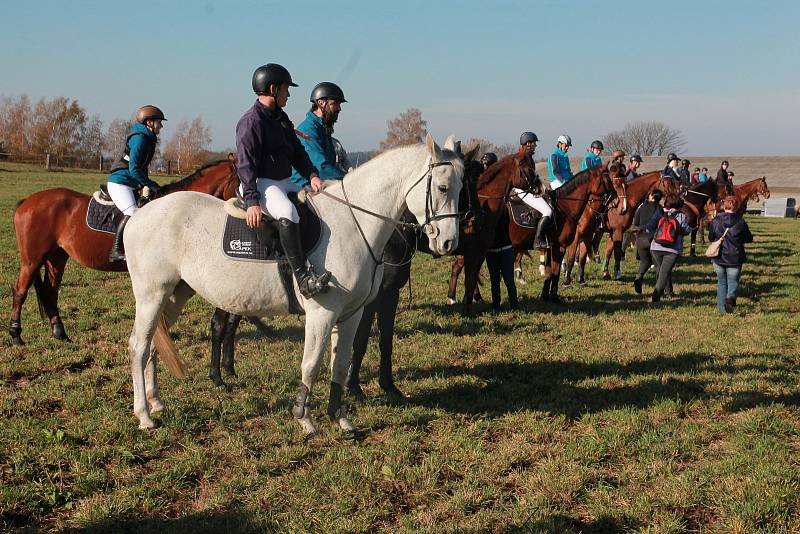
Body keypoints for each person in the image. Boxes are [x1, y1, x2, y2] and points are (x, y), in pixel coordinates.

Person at [236, 63, 330, 298]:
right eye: (286, 89)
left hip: (283, 180)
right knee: (288, 211)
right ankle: (303, 279)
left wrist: (312, 175)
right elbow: (245, 164)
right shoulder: (251, 122)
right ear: (273, 88)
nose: (289, 94)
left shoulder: (281, 117)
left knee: (316, 203)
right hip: (261, 183)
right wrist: (252, 201)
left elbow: (297, 151)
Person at [107, 105, 166, 261]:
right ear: (149, 122)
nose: (161, 125)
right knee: (133, 214)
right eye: (159, 122)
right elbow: (134, 169)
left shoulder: (147, 137)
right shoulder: (140, 139)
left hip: (130, 183)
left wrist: (145, 184)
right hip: (120, 183)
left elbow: (142, 168)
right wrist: (149, 183)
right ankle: (116, 250)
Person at [290, 82, 348, 188]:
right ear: (321, 102)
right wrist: (349, 180)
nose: (339, 108)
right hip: (302, 189)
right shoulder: (308, 130)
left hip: (319, 185)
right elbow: (321, 167)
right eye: (335, 103)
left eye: (339, 104)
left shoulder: (323, 128)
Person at [707, 195, 753, 313]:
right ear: (736, 207)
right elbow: (749, 238)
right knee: (733, 281)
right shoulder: (740, 221)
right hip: (735, 256)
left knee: (721, 282)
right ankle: (730, 298)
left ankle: (722, 310)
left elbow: (711, 237)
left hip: (718, 256)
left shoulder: (716, 220)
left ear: (724, 206)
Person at [644, 192, 692, 302]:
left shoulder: (659, 213)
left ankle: (666, 291)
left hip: (656, 247)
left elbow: (650, 227)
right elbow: (685, 231)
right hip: (672, 249)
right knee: (664, 272)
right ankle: (656, 296)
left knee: (660, 271)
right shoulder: (681, 216)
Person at [513, 132, 552, 252]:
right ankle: (538, 239)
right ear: (528, 144)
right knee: (547, 211)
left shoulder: (528, 157)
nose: (536, 145)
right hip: (522, 191)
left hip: (528, 190)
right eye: (534, 143)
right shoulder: (523, 158)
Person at [485, 210, 518, 313]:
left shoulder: (503, 212)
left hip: (505, 250)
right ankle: (496, 306)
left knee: (509, 280)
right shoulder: (485, 215)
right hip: (492, 252)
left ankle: (514, 305)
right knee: (494, 281)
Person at [631, 189, 663, 294]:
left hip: (641, 239)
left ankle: (639, 277)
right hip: (653, 239)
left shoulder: (641, 207)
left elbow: (635, 223)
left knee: (645, 262)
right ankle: (658, 289)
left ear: (651, 196)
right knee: (658, 265)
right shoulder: (660, 209)